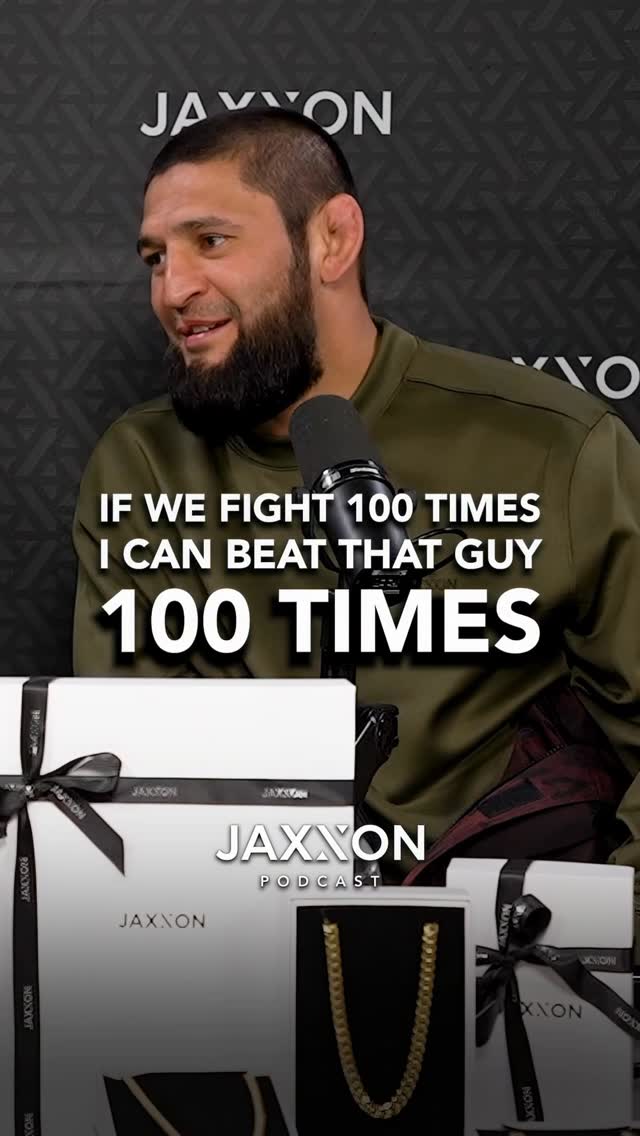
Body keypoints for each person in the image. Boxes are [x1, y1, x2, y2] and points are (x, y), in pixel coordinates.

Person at [73, 107, 640, 894]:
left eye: (211, 241)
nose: (174, 289)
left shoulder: (559, 445)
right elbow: (128, 778)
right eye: (155, 257)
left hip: (502, 928)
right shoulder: (141, 464)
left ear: (332, 239)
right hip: (242, 926)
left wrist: (596, 930)